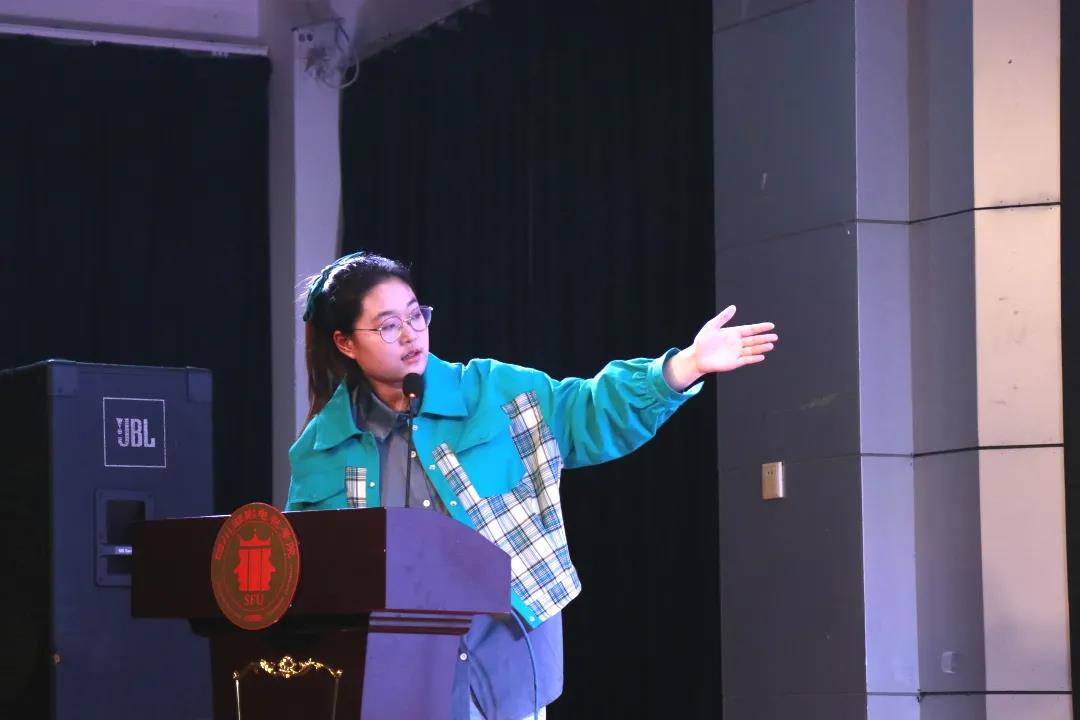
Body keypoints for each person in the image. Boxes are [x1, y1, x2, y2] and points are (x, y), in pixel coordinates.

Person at [286, 251, 777, 720]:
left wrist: (685, 366)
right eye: (389, 325)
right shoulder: (322, 447)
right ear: (345, 343)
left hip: (502, 661)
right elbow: (308, 572)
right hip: (387, 676)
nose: (411, 334)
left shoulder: (496, 393)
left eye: (416, 315)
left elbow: (589, 410)